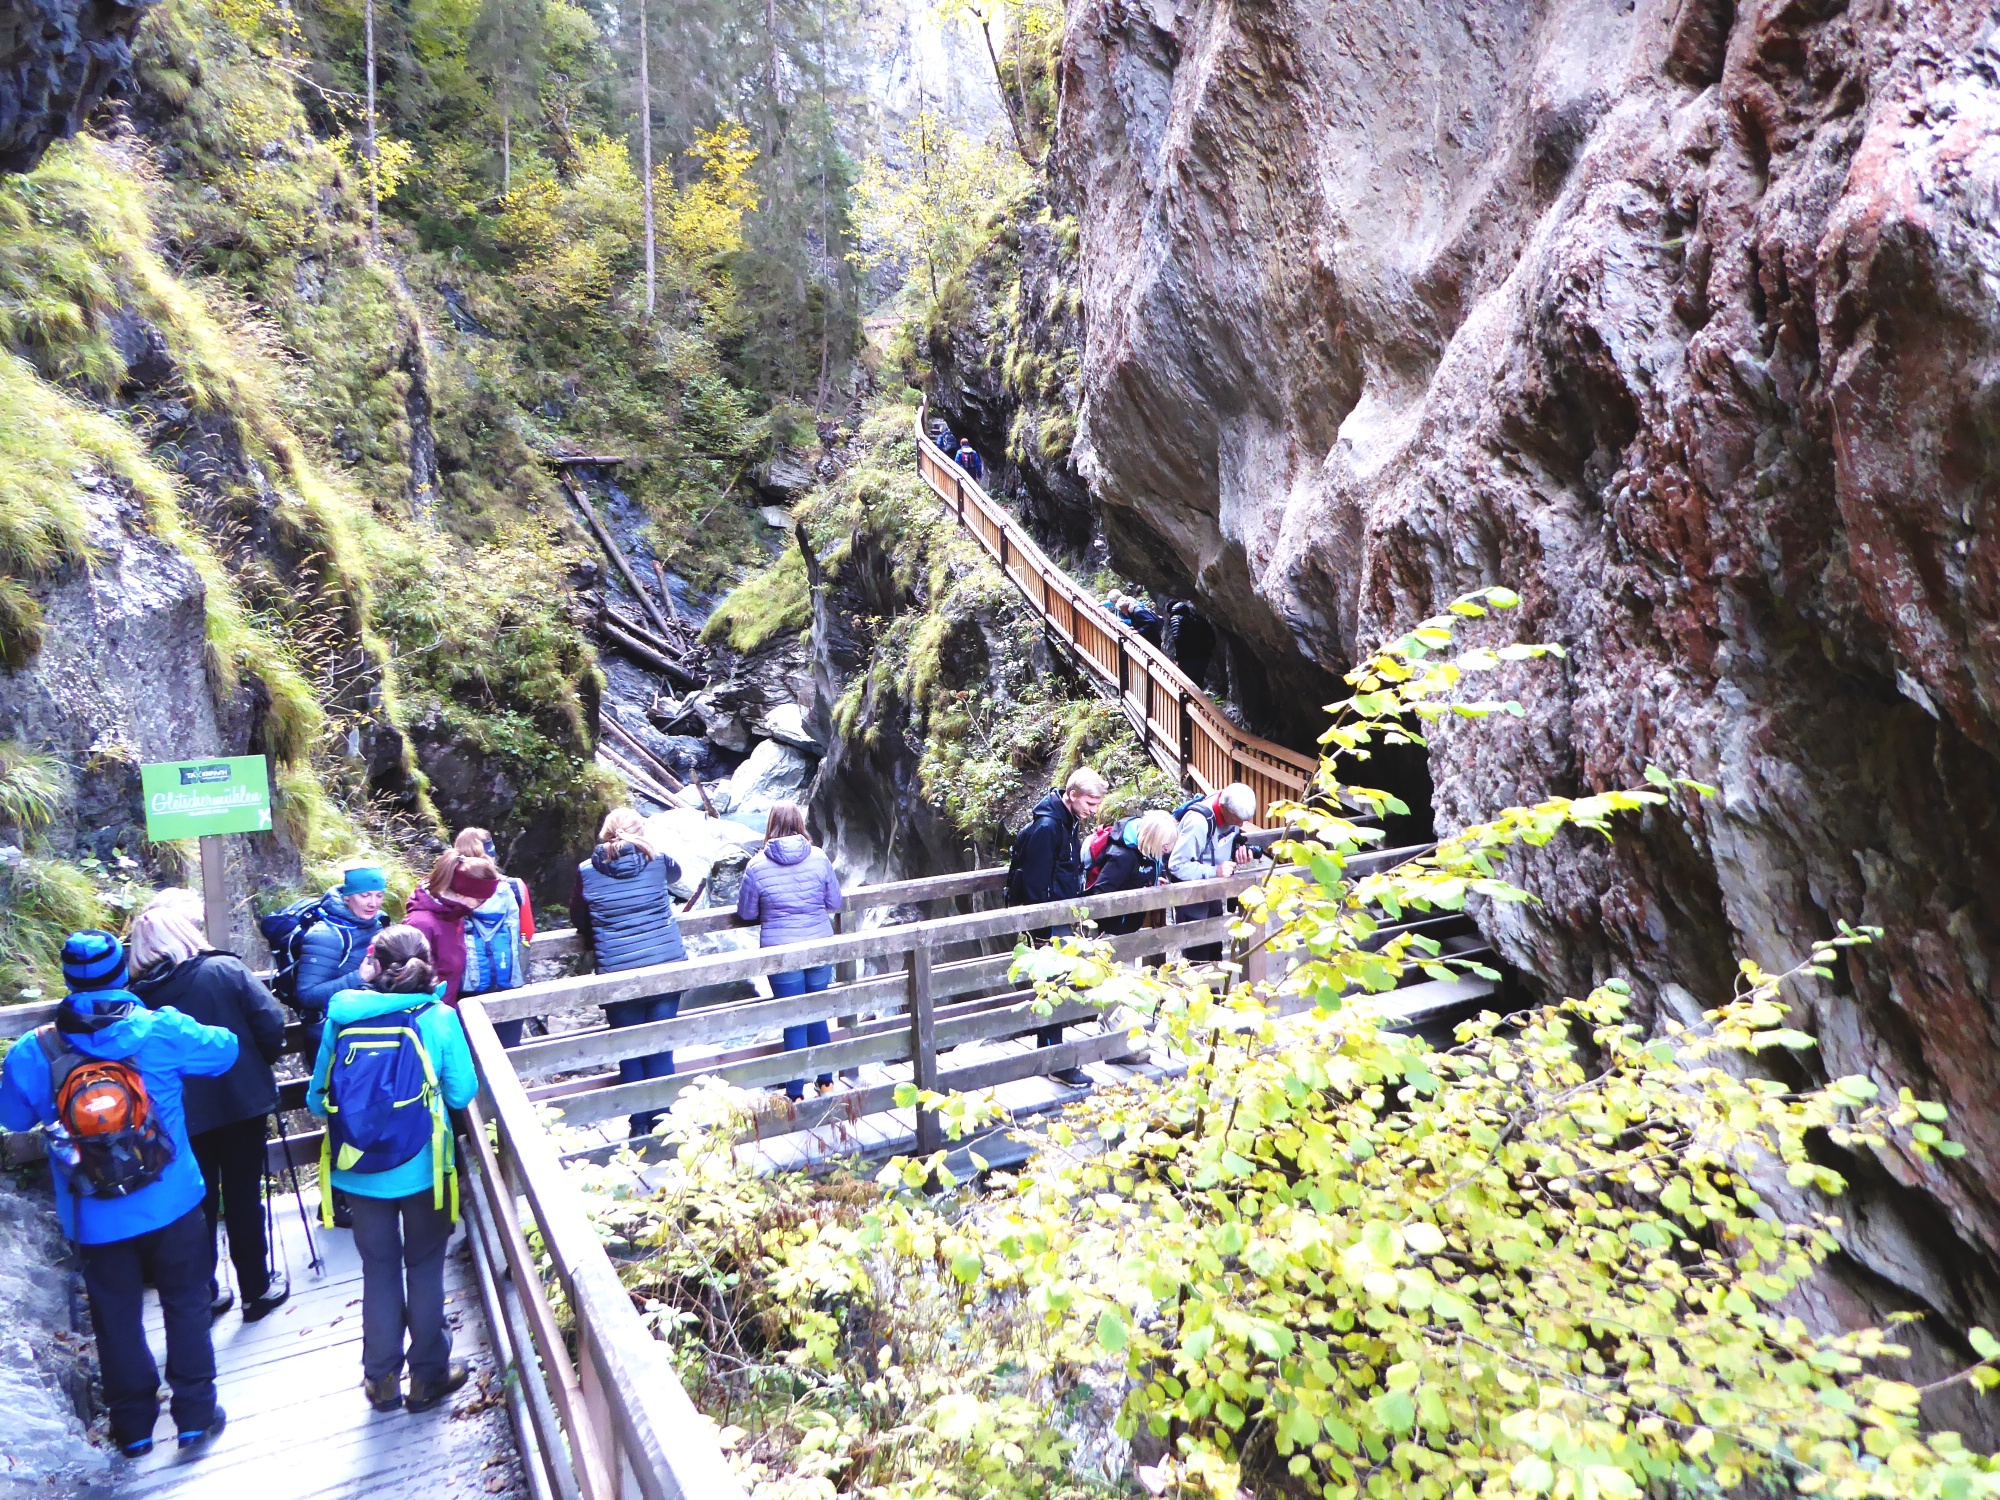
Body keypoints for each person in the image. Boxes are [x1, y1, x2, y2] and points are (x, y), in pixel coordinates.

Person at [0, 931, 237, 1458]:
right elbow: (226, 1051)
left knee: (115, 1318)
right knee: (186, 1303)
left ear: (67, 979)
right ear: (122, 971)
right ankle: (195, 1416)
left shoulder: (33, 1051)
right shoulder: (158, 1028)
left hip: (94, 1213)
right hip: (172, 1199)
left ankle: (133, 1430)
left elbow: (13, 1118)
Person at [306, 925, 476, 1415]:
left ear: (374, 966)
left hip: (358, 1167)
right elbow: (462, 1093)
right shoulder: (439, 1018)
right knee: (423, 1265)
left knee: (378, 1269)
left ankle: (381, 1381)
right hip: (423, 1165)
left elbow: (319, 1099)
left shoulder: (342, 1016)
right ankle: (428, 1378)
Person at [129, 891, 291, 1324]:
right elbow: (270, 1023)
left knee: (195, 1202)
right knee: (243, 1197)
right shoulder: (224, 969)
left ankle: (205, 1293)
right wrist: (261, 1061)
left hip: (178, 1113)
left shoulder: (132, 1001)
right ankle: (256, 1290)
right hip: (241, 1100)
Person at [570, 807, 687, 1139]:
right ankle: (664, 1124)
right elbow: (676, 876)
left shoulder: (586, 870)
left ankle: (638, 1124)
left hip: (617, 970)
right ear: (641, 832)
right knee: (661, 1045)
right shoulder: (658, 860)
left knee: (629, 1049)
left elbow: (580, 918)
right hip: (664, 965)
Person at [1004, 766, 1107, 1086]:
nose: (1094, 810)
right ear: (1072, 796)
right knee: (1055, 986)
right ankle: (1054, 1060)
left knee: (1058, 986)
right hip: (1048, 925)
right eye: (1090, 803)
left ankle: (1052, 1056)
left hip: (1059, 919)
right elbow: (1036, 883)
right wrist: (1046, 932)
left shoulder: (1066, 821)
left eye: (1097, 803)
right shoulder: (1049, 827)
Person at [736, 802, 844, 1101]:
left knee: (793, 1018)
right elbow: (835, 903)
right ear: (800, 823)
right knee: (818, 1013)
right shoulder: (819, 857)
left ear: (770, 824)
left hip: (781, 951)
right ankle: (826, 1083)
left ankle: (795, 1093)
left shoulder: (757, 865)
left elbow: (746, 913)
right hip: (818, 945)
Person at [453, 827, 537, 1048]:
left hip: (464, 990)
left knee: (471, 1058)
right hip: (509, 983)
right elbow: (527, 932)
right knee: (507, 1055)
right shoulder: (515, 888)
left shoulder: (447, 893)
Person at [1167, 783, 1259, 962]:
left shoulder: (1228, 809)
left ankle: (1216, 990)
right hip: (1191, 900)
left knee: (1215, 955)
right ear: (1223, 808)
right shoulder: (1199, 823)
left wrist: (1237, 851)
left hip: (1214, 896)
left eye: (1244, 820)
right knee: (1197, 959)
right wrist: (1214, 871)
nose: (1240, 824)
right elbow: (1177, 865)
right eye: (1236, 819)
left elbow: (1221, 844)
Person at [403, 848, 502, 1007]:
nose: (482, 908)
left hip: (445, 1009)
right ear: (462, 893)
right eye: (480, 901)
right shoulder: (420, 924)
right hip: (426, 1017)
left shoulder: (455, 915)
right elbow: (408, 985)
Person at [294, 865, 390, 1025]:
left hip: (367, 1024)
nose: (373, 903)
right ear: (347, 897)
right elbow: (307, 996)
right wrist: (359, 978)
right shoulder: (325, 935)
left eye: (379, 895)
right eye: (364, 895)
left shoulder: (379, 923)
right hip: (329, 1032)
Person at [1085, 811, 1182, 936]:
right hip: (1113, 929)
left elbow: (1134, 876)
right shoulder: (1122, 857)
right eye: (1165, 845)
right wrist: (1135, 893)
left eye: (1170, 844)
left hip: (1131, 925)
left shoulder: (1148, 852)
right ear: (1152, 839)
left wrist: (1152, 881)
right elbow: (1100, 892)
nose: (1168, 849)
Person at [1167, 601, 1217, 685]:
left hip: (1188, 658)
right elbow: (1211, 635)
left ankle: (1187, 698)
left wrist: (1179, 658)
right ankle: (1198, 697)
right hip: (1204, 656)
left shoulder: (1176, 618)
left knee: (1186, 683)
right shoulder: (1198, 618)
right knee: (1198, 682)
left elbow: (1178, 638)